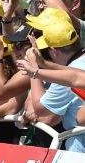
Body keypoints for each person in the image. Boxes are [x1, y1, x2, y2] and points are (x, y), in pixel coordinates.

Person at [21, 9, 85, 150]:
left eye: (38, 34)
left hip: (79, 145)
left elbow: (42, 111)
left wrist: (34, 69)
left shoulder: (64, 79)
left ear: (53, 49)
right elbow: (76, 76)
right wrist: (42, 66)